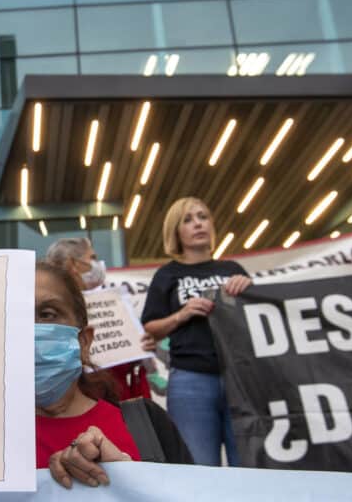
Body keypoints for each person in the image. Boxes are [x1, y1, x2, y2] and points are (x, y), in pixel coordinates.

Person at [35, 262, 192, 489]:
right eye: (14, 317)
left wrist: (128, 479)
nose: (32, 330)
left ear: (84, 341)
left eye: (47, 314)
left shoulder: (147, 423)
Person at [140, 197, 252, 467]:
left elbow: (259, 318)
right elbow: (150, 328)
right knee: (198, 468)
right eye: (188, 220)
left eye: (202, 217)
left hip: (241, 377)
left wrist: (249, 287)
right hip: (191, 380)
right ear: (175, 231)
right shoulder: (167, 275)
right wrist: (182, 314)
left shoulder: (233, 270)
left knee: (250, 466)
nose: (198, 224)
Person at [45, 238, 152, 400]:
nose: (98, 264)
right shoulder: (50, 312)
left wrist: (140, 345)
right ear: (73, 264)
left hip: (116, 398)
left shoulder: (113, 303)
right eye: (92, 258)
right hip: (80, 399)